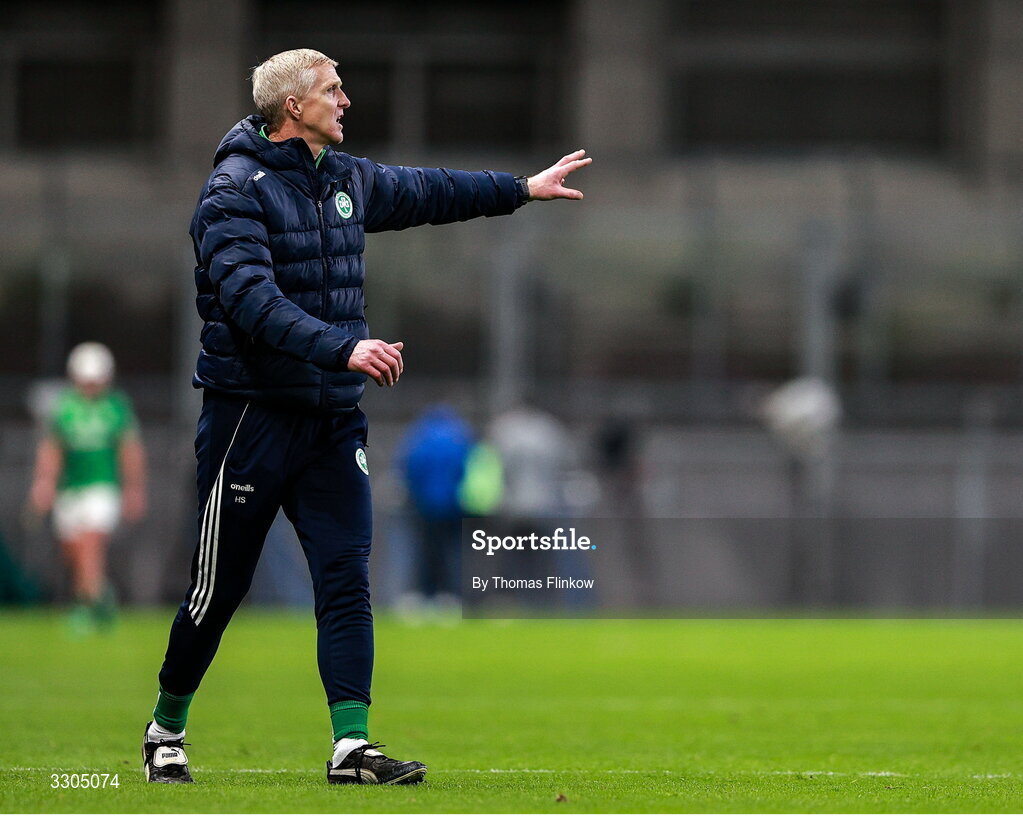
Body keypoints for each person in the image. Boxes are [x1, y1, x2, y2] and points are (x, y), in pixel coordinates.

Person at [142, 48, 590, 786]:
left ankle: (351, 748)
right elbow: (251, 304)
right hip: (250, 422)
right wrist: (344, 348)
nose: (346, 100)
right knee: (216, 588)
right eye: (332, 89)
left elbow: (425, 192)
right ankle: (166, 728)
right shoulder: (231, 192)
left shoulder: (345, 179)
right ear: (293, 107)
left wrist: (520, 190)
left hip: (331, 424)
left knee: (346, 580)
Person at [29, 342, 146, 634]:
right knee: (72, 548)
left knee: (89, 541)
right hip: (71, 488)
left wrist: (134, 488)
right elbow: (52, 449)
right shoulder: (65, 407)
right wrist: (44, 483)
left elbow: (129, 450)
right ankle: (98, 596)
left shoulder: (116, 407)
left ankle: (89, 606)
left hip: (103, 486)